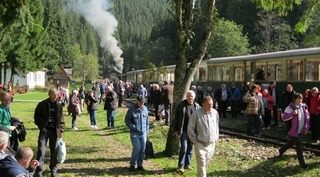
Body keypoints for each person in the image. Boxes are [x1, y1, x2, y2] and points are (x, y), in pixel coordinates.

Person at [34, 88, 65, 177]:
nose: (55, 96)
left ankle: (53, 169)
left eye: (56, 94)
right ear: (49, 94)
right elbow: (36, 117)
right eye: (53, 94)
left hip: (55, 131)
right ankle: (39, 170)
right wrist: (41, 126)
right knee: (41, 150)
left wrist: (61, 130)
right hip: (45, 130)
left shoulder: (59, 106)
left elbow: (61, 120)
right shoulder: (42, 104)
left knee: (54, 151)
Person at [187, 96, 219, 177]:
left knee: (205, 164)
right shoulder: (196, 114)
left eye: (212, 104)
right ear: (203, 104)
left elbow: (216, 126)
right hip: (200, 144)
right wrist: (195, 141)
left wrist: (216, 138)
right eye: (208, 104)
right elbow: (190, 128)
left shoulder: (215, 113)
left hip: (211, 144)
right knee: (201, 165)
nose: (210, 106)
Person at [279, 93, 310, 169]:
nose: (300, 100)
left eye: (301, 99)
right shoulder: (290, 107)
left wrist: (306, 128)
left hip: (300, 130)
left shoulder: (303, 107)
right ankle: (302, 164)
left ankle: (281, 150)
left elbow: (307, 119)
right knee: (299, 145)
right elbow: (283, 117)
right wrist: (292, 114)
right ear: (294, 99)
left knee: (291, 143)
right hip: (292, 131)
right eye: (298, 99)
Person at [173, 90, 201, 173]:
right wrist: (176, 129)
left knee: (190, 148)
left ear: (194, 97)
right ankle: (180, 165)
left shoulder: (197, 106)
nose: (190, 98)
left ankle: (187, 164)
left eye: (191, 96)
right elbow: (176, 118)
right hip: (184, 130)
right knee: (184, 147)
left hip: (193, 131)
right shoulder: (181, 105)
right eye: (188, 96)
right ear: (186, 97)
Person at [125, 95, 149, 172]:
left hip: (143, 133)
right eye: (141, 102)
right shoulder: (132, 109)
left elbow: (147, 121)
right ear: (137, 101)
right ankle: (132, 164)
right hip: (134, 133)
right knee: (137, 148)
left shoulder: (145, 109)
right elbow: (127, 120)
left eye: (143, 102)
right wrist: (133, 126)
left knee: (142, 149)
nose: (142, 104)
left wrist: (147, 130)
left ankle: (140, 165)